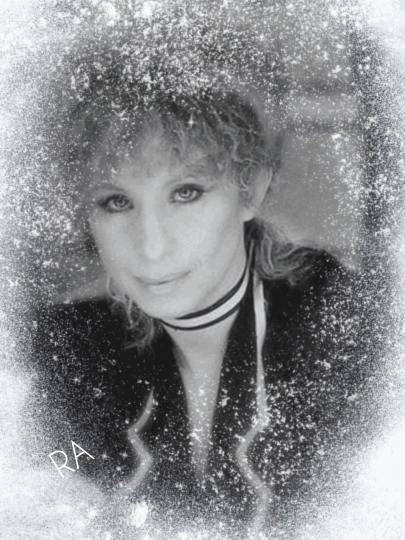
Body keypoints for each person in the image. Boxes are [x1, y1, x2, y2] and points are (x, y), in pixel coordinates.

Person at [27, 82, 373, 536]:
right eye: (117, 202)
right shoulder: (63, 355)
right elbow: (62, 465)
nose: (152, 248)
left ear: (250, 190)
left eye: (187, 192)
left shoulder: (353, 330)